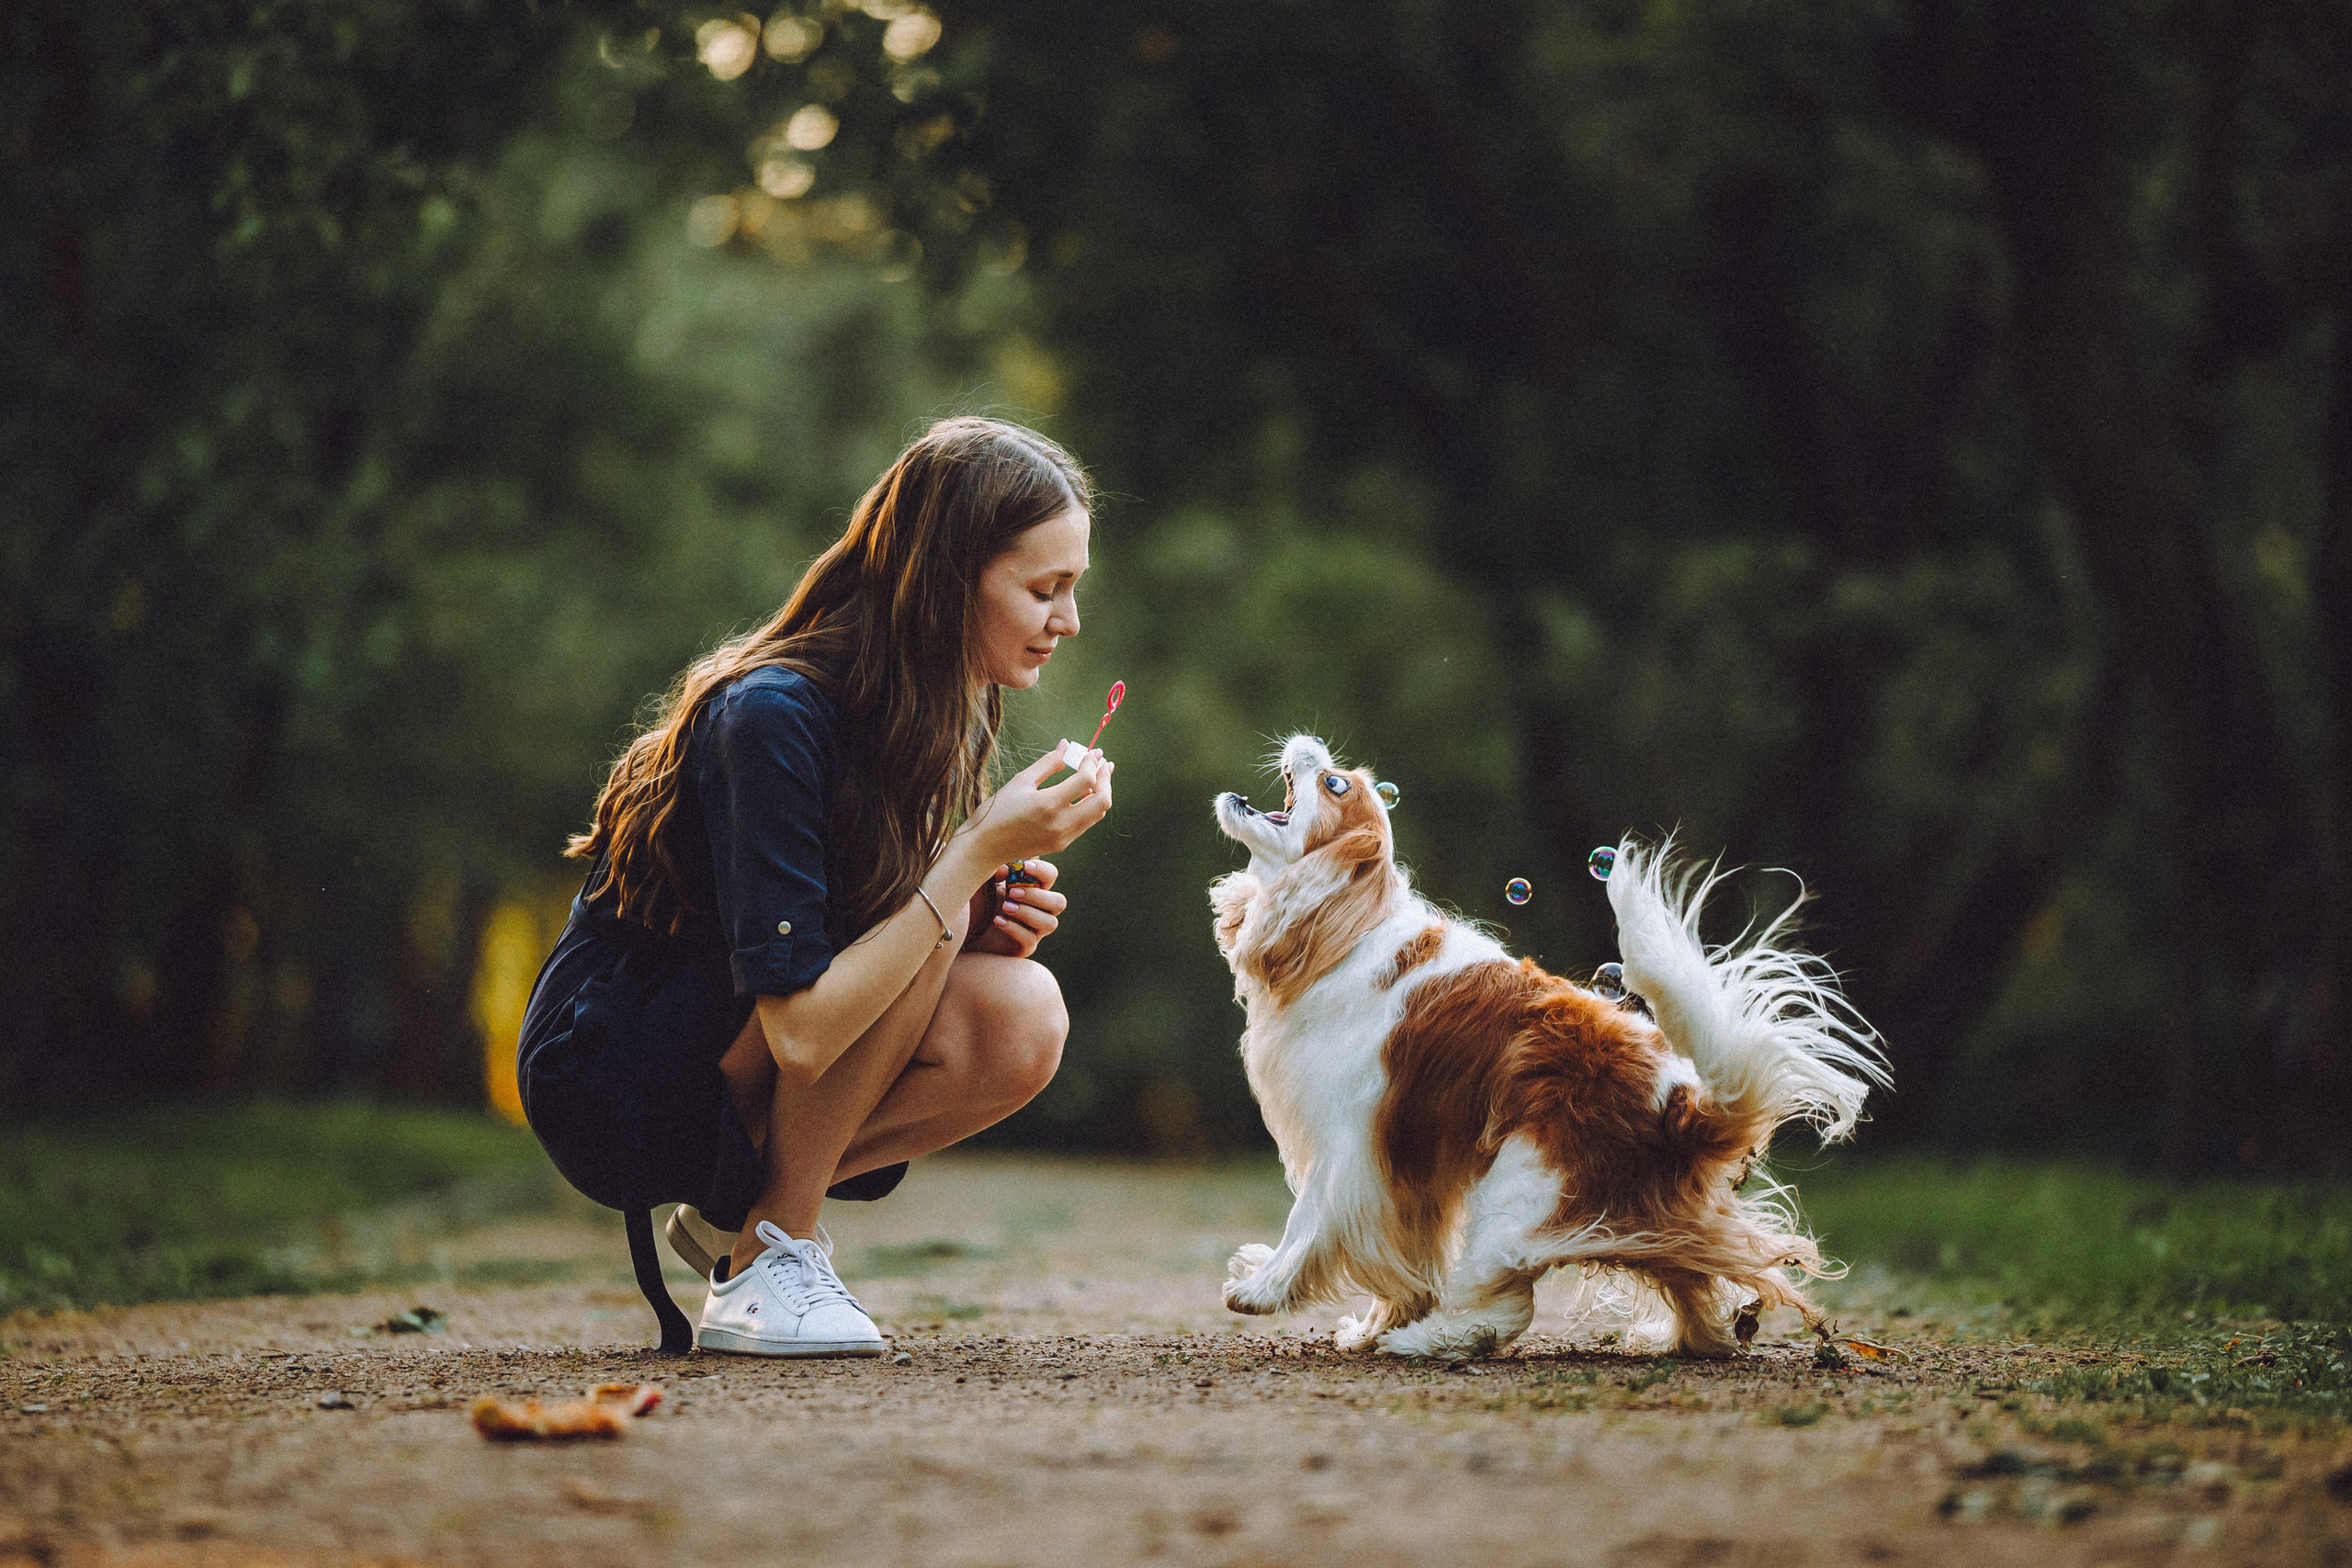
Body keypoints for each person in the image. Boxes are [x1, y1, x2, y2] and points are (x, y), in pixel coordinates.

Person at [516, 417, 1114, 1357]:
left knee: (1020, 1015)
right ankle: (767, 1254)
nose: (1067, 621)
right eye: (1045, 590)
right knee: (936, 906)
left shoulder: (932, 705)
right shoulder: (773, 716)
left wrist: (979, 909)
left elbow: (856, 941)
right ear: (948, 580)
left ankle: (739, 1218)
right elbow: (799, 1032)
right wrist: (966, 864)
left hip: (741, 1046)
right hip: (610, 1071)